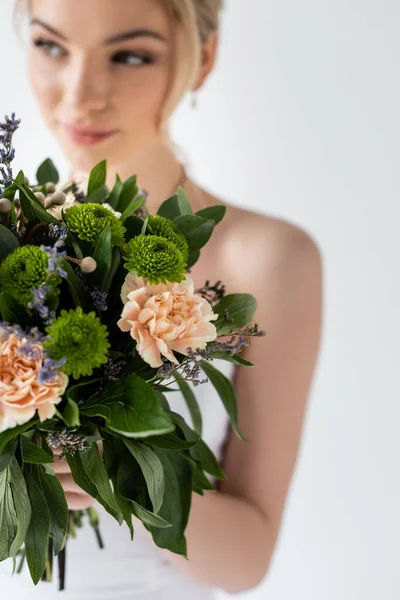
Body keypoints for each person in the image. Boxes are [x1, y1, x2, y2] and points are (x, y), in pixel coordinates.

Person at [0, 1, 323, 598]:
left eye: (129, 55)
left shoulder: (267, 260)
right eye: (51, 45)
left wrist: (117, 469)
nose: (80, 95)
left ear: (203, 59)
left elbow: (247, 559)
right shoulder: (6, 236)